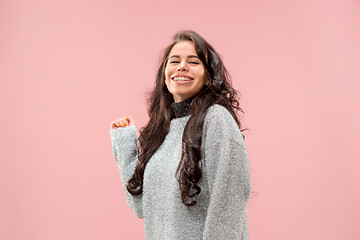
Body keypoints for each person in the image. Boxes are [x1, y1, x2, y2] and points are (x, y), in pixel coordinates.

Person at [109, 30, 252, 240]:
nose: (182, 66)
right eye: (174, 61)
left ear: (207, 78)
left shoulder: (216, 119)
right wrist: (125, 147)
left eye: (193, 62)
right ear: (165, 75)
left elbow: (229, 200)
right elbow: (142, 206)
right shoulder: (162, 132)